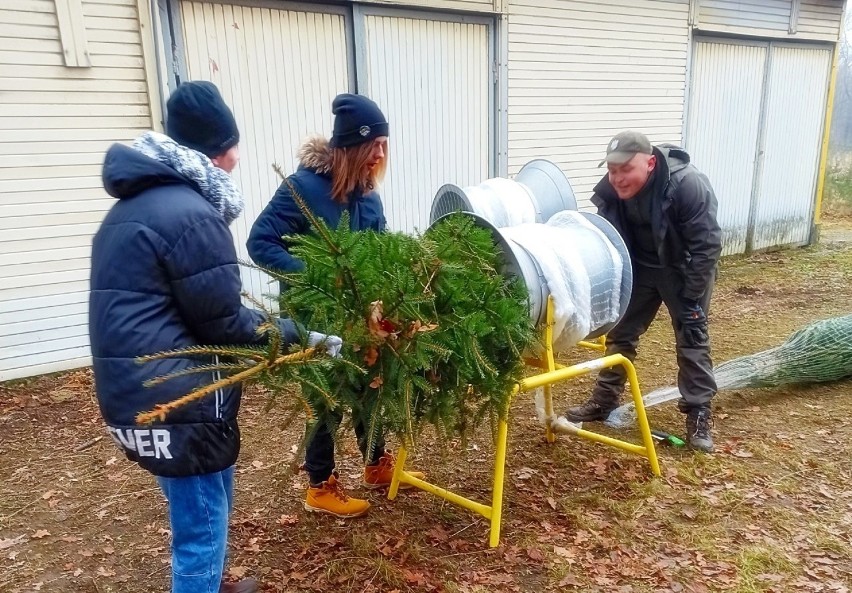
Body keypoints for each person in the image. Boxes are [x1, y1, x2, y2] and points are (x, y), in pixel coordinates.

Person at [90, 81, 334, 593]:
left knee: (208, 496)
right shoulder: (191, 213)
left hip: (138, 391)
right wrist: (300, 335)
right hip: (179, 397)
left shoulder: (131, 208)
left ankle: (211, 584)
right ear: (213, 151)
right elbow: (225, 322)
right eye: (231, 148)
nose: (236, 160)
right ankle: (201, 583)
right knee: (199, 526)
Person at [248, 93, 423, 518]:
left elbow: (381, 251)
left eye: (385, 144)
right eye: (373, 145)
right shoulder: (302, 189)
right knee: (325, 395)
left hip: (363, 314)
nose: (380, 154)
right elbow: (260, 242)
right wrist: (316, 275)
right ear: (350, 145)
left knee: (371, 381)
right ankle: (320, 485)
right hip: (315, 314)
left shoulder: (369, 197)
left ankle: (374, 462)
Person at [564, 130, 722, 453]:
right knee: (620, 332)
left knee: (691, 334)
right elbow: (604, 237)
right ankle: (604, 400)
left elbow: (707, 245)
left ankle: (699, 414)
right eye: (612, 170)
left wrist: (691, 297)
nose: (618, 178)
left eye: (626, 169)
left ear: (650, 163)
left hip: (684, 268)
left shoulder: (687, 185)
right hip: (642, 268)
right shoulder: (610, 190)